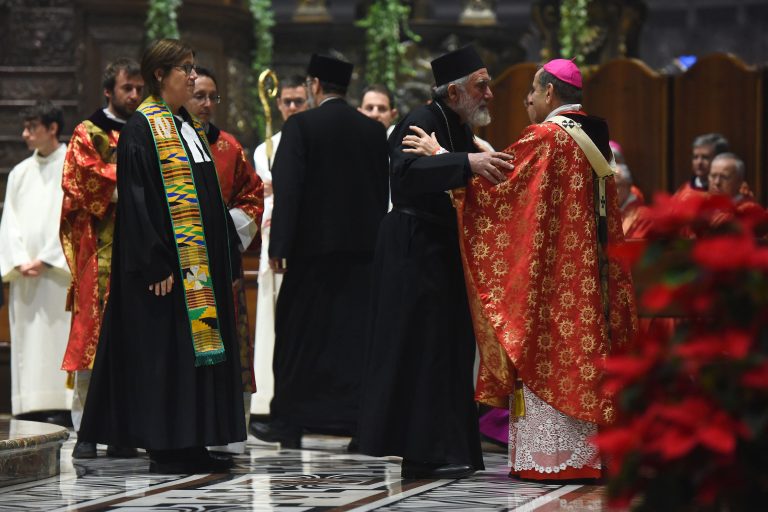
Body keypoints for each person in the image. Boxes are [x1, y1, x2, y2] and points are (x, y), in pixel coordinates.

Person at [455, 59, 638, 481]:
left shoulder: (546, 137)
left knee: (548, 349)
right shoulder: (596, 138)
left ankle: (554, 461)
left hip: (554, 281)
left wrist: (448, 161)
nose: (529, 102)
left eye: (532, 93)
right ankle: (593, 456)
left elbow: (502, 192)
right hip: (592, 278)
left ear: (550, 93)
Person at [77, 38, 245, 474]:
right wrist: (154, 260)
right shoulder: (142, 128)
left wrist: (225, 251)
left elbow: (209, 196)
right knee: (168, 356)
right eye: (185, 69)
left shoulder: (186, 124)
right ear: (159, 76)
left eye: (193, 67)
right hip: (166, 270)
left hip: (199, 271)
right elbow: (137, 201)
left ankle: (192, 439)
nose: (193, 76)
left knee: (194, 353)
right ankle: (168, 445)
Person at [357, 45, 512, 480]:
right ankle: (419, 453)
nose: (490, 93)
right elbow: (404, 175)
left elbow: (480, 172)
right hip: (412, 248)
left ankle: (446, 448)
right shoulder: (419, 121)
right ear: (454, 91)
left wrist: (455, 158)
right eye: (482, 85)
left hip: (440, 250)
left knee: (446, 351)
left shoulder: (459, 128)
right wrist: (462, 162)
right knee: (419, 351)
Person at [250, 54, 389, 449]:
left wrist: (279, 246)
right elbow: (380, 191)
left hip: (311, 257)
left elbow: (289, 190)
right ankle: (355, 422)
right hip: (362, 255)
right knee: (354, 340)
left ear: (314, 86)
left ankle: (290, 423)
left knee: (299, 338)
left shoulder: (301, 126)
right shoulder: (372, 131)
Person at [60, 57, 144, 459]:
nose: (135, 95)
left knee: (134, 346)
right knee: (93, 344)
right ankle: (88, 430)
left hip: (142, 254)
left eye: (140, 89)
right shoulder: (87, 132)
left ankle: (126, 429)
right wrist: (136, 181)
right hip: (100, 251)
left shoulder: (148, 129)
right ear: (109, 91)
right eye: (128, 88)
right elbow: (84, 179)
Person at [184, 67, 264, 454]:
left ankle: (221, 425)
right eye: (199, 95)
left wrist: (223, 231)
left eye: (212, 97)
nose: (206, 104)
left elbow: (252, 196)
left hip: (221, 264)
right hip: (182, 264)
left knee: (223, 343)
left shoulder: (230, 147)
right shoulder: (169, 143)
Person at [0, 101, 72, 422]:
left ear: (52, 128)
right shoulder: (19, 173)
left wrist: (46, 258)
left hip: (57, 273)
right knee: (30, 340)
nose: (25, 134)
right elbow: (9, 222)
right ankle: (33, 404)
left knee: (59, 334)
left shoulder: (72, 164)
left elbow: (71, 218)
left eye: (32, 127)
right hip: (26, 273)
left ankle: (63, 404)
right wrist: (19, 259)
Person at [251, 75, 308, 419]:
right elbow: (265, 194)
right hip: (274, 241)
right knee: (272, 320)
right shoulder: (265, 149)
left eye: (297, 102)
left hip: (304, 243)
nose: (291, 108)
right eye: (286, 102)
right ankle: (268, 397)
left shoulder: (314, 140)